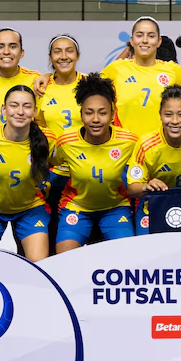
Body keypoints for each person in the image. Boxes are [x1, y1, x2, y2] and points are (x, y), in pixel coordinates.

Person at [50, 73, 138, 253]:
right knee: (63, 260)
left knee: (127, 257)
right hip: (76, 207)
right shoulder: (66, 143)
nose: (95, 119)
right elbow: (52, 162)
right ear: (81, 115)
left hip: (115, 207)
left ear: (112, 115)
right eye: (89, 112)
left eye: (102, 113)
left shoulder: (129, 141)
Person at [0, 86, 54, 262]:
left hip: (30, 208)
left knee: (40, 266)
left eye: (27, 106)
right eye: (14, 105)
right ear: (4, 109)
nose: (20, 112)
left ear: (35, 111)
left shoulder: (48, 139)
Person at [127, 85, 181, 234]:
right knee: (146, 247)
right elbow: (132, 188)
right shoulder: (146, 144)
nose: (175, 121)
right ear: (160, 114)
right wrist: (147, 187)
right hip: (154, 201)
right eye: (168, 114)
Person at [36, 34, 85, 254]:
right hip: (53, 174)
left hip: (85, 172)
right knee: (51, 233)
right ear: (50, 57)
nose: (63, 56)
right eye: (57, 51)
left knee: (86, 234)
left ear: (77, 56)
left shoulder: (89, 85)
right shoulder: (40, 88)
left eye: (69, 51)